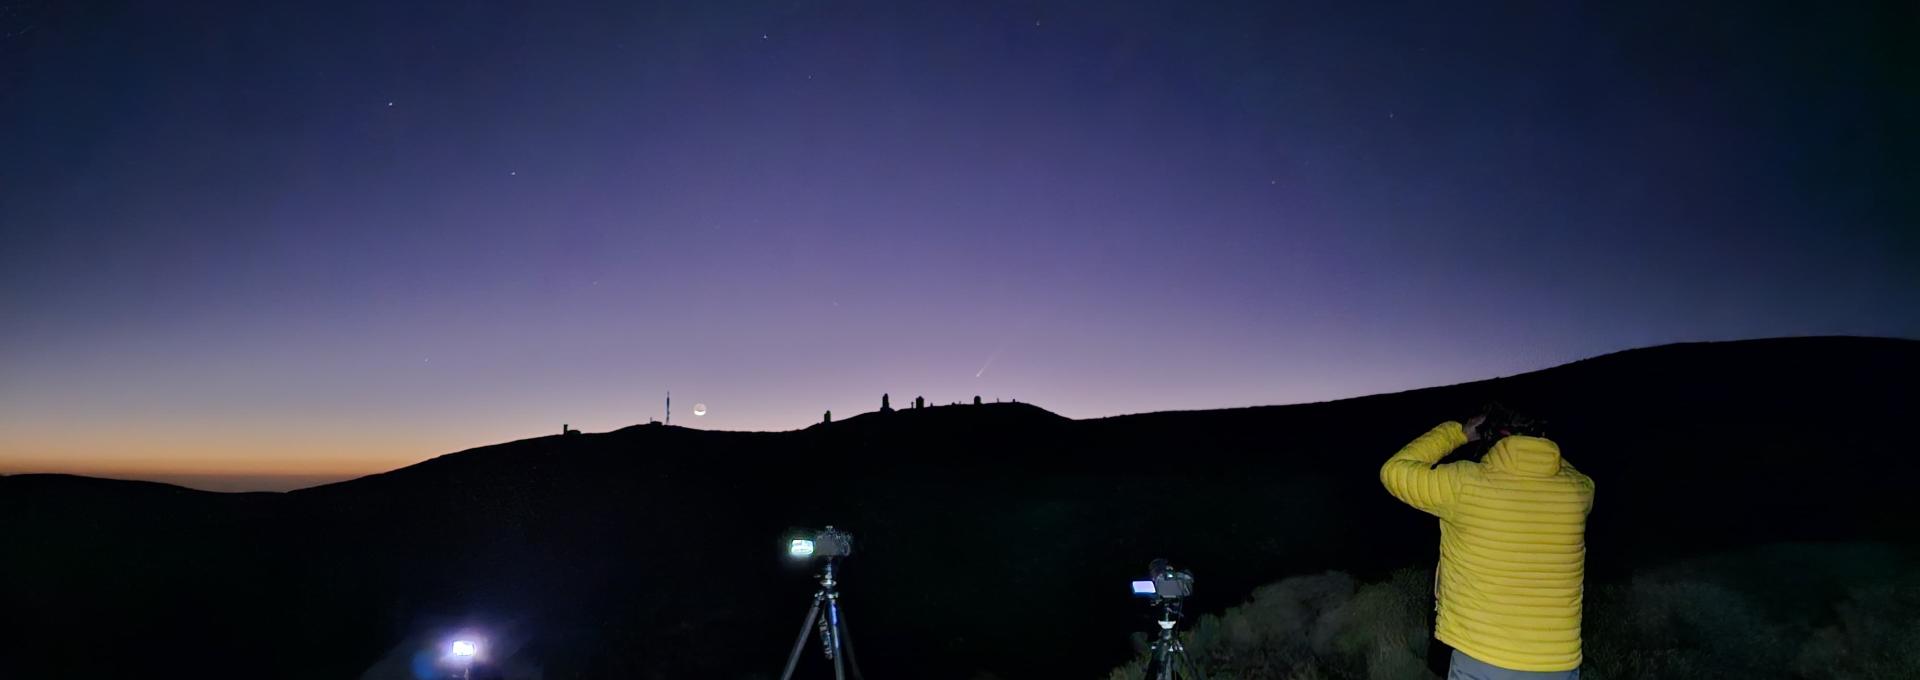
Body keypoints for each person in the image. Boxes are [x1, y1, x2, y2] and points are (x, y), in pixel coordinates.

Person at [1380, 408, 1595, 679]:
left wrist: (1459, 433)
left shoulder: (1464, 484)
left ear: (1490, 435)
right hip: (1558, 663)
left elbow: (1394, 470)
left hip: (1482, 655)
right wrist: (1540, 447)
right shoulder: (1578, 492)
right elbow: (1562, 469)